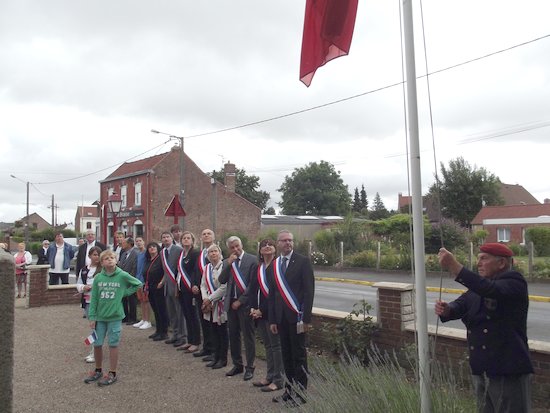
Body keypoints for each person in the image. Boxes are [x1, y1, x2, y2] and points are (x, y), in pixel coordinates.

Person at [435, 243, 533, 413]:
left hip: (507, 369)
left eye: (484, 258)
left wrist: (454, 265)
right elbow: (462, 303)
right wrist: (447, 309)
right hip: (481, 367)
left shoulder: (514, 281)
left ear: (501, 263)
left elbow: (489, 290)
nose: (478, 263)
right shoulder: (481, 285)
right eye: (478, 258)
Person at [269, 230, 315, 406]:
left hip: (298, 318)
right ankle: (289, 390)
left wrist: (306, 318)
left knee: (299, 356)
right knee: (286, 356)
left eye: (290, 240)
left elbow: (309, 292)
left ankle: (300, 394)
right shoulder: (275, 264)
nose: (288, 243)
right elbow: (272, 295)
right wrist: (273, 319)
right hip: (281, 319)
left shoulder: (303, 261)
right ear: (278, 243)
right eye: (284, 240)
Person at [84, 250, 142, 386]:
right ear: (102, 262)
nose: (109, 260)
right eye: (106, 258)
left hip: (115, 316)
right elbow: (95, 299)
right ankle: (98, 369)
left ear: (116, 260)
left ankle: (112, 372)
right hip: (100, 317)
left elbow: (138, 284)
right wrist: (92, 317)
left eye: (112, 258)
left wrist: (124, 293)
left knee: (113, 343)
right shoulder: (98, 277)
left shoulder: (122, 275)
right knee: (97, 343)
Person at [246, 239, 284, 392]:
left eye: (270, 244)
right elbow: (253, 290)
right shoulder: (258, 268)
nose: (267, 247)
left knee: (276, 346)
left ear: (275, 249)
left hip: (273, 313)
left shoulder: (278, 266)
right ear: (260, 251)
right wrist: (253, 308)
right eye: (264, 245)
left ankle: (278, 379)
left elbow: (276, 294)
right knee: (268, 345)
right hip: (259, 313)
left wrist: (262, 309)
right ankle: (269, 376)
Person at [218, 236, 257, 381]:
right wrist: (228, 264)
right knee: (233, 336)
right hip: (230, 303)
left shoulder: (252, 260)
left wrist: (240, 301)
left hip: (245, 304)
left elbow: (253, 285)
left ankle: (250, 366)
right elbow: (221, 280)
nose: (235, 249)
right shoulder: (228, 261)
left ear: (241, 244)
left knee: (248, 336)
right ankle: (237, 364)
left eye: (237, 246)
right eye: (232, 247)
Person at [200, 244, 228, 369]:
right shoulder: (206, 268)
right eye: (210, 252)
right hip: (210, 305)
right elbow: (203, 285)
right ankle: (215, 356)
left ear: (220, 252)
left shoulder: (224, 266)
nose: (213, 253)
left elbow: (224, 287)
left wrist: (210, 299)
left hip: (220, 304)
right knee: (213, 331)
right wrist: (205, 298)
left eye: (215, 251)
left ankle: (223, 358)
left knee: (222, 332)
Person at [159, 231, 187, 347]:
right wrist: (162, 282)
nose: (166, 239)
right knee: (172, 312)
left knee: (180, 312)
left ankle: (183, 336)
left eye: (168, 237)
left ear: (172, 238)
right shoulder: (162, 252)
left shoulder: (178, 250)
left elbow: (180, 269)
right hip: (167, 287)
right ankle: (175, 334)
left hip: (176, 286)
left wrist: (177, 285)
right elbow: (166, 271)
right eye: (163, 237)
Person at [76, 246, 103, 363]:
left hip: (100, 302)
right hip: (87, 302)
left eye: (98, 255)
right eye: (94, 255)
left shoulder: (103, 269)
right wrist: (83, 287)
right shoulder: (84, 269)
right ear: (90, 256)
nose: (96, 257)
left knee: (96, 327)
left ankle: (94, 352)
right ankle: (96, 347)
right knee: (94, 326)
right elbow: (78, 284)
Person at [176, 231, 201, 353]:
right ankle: (190, 340)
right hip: (181, 289)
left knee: (193, 315)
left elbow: (196, 270)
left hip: (190, 289)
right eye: (184, 238)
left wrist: (194, 284)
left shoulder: (195, 253)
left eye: (188, 238)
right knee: (186, 314)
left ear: (192, 240)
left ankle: (196, 342)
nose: (186, 240)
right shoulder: (182, 254)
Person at [193, 228, 216, 359]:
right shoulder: (201, 254)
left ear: (213, 237)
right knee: (204, 320)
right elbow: (196, 271)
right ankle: (206, 347)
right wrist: (194, 284)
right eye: (204, 234)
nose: (206, 235)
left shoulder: (216, 251)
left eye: (209, 234)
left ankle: (214, 349)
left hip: (213, 293)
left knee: (213, 321)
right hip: (201, 292)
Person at [76, 230, 106, 316]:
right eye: (88, 234)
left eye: (92, 234)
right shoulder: (82, 247)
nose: (90, 236)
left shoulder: (102, 246)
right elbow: (79, 261)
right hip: (86, 272)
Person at [144, 241, 169, 341]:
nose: (152, 248)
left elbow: (165, 271)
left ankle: (164, 332)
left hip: (159, 287)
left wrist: (162, 282)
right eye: (150, 247)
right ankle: (158, 330)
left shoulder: (160, 259)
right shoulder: (148, 260)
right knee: (156, 310)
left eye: (154, 246)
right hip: (150, 287)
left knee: (161, 310)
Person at [117, 237, 138, 325]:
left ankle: (133, 318)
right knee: (124, 299)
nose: (122, 243)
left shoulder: (135, 253)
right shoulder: (123, 254)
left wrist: (130, 279)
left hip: (130, 280)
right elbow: (121, 266)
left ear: (129, 244)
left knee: (132, 299)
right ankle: (125, 316)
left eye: (124, 242)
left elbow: (135, 267)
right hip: (123, 281)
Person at [133, 237, 152, 330]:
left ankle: (148, 321)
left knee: (146, 300)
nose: (138, 243)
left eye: (140, 241)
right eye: (137, 241)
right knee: (141, 300)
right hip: (138, 279)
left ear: (144, 242)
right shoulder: (138, 254)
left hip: (144, 279)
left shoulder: (146, 253)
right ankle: (143, 319)